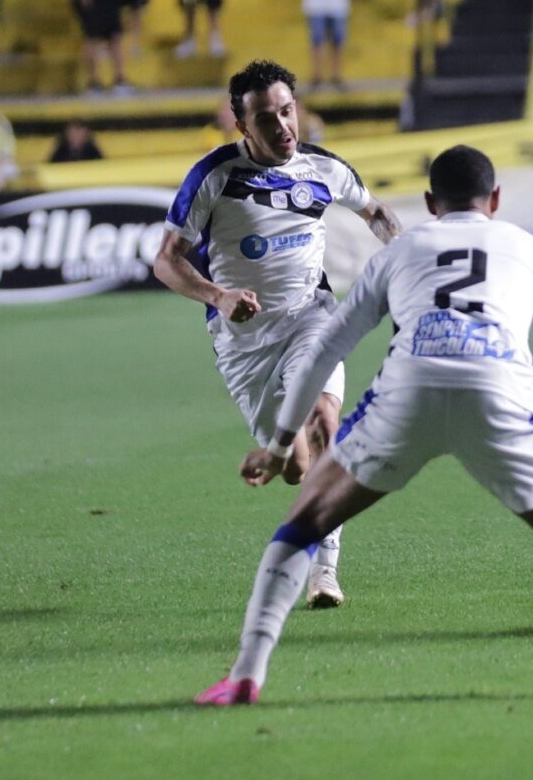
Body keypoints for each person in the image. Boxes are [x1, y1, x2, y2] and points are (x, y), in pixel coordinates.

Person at [201, 143, 533, 707]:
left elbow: (326, 351)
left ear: (429, 202)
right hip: (500, 396)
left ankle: (246, 677)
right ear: (495, 199)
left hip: (407, 395)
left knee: (301, 528)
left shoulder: (401, 252)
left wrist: (280, 445)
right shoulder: (529, 249)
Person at [151, 60, 398, 623]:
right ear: (243, 127)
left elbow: (375, 210)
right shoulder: (214, 176)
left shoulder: (324, 167)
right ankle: (299, 486)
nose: (283, 126)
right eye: (267, 118)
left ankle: (324, 570)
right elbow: (165, 261)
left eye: (288, 111)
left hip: (313, 316)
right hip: (244, 344)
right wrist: (217, 296)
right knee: (294, 465)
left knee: (325, 425)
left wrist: (400, 249)